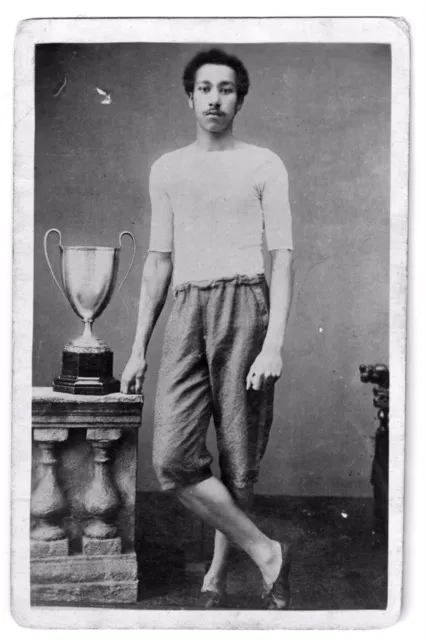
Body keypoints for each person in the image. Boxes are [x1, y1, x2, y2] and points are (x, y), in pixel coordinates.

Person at [121, 48, 294, 609]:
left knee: (239, 459)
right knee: (173, 458)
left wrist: (274, 344)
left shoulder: (264, 163)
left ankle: (218, 574)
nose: (214, 98)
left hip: (246, 307)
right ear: (189, 96)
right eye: (204, 88)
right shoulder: (167, 168)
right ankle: (267, 551)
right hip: (186, 310)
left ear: (239, 98)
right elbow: (157, 262)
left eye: (225, 89)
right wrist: (137, 350)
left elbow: (284, 257)